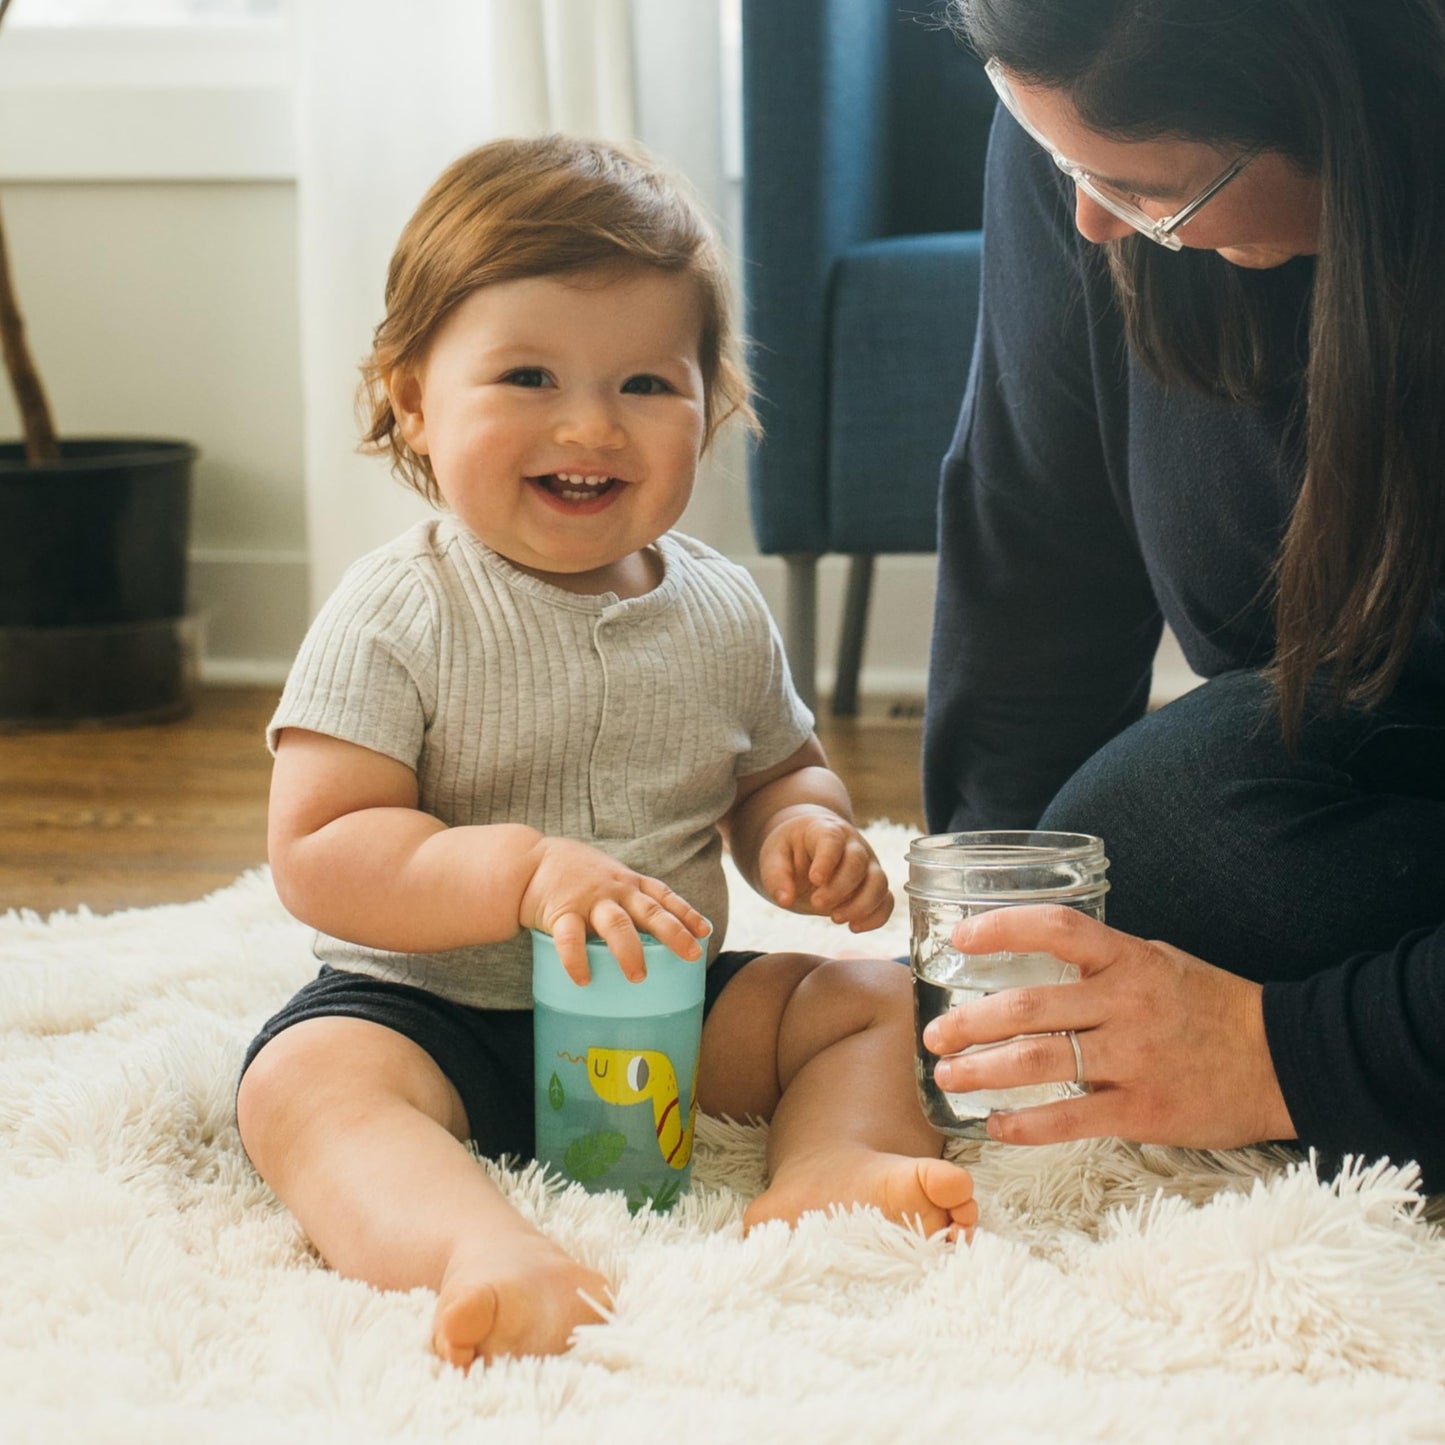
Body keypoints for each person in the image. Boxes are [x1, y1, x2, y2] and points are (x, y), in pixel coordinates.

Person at [236, 134, 976, 1372]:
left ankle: (830, 1162)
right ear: (412, 397)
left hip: (668, 1011)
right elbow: (319, 848)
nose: (590, 423)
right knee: (305, 1084)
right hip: (436, 1015)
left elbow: (774, 765)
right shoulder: (395, 609)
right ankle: (477, 1247)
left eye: (646, 384)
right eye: (526, 374)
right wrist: (517, 872)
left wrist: (802, 826)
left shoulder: (721, 604)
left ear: (713, 401)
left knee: (874, 996)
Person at [920, 0, 1445, 1189]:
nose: (1088, 217)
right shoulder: (1076, 126)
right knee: (1144, 843)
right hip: (1385, 785)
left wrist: (1278, 1052)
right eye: (1056, 156)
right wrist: (978, 949)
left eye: (1156, 191)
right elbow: (1034, 543)